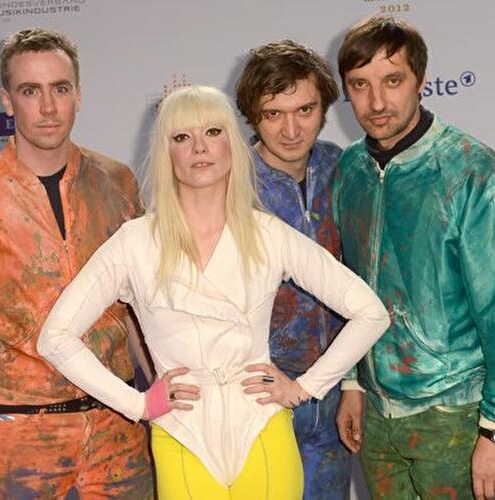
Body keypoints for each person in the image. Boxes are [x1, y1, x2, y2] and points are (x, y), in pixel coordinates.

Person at [37, 85, 390, 500]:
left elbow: (370, 312)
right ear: (166, 153)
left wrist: (303, 388)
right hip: (182, 434)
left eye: (213, 132)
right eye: (182, 137)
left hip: (262, 429)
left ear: (232, 145)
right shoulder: (134, 243)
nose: (200, 148)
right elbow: (55, 337)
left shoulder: (267, 234)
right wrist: (137, 405)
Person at [0, 28, 152, 498]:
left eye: (60, 89)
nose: (48, 107)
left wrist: (160, 399)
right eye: (31, 91)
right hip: (18, 444)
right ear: (7, 101)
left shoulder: (117, 183)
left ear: (78, 95)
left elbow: (138, 309)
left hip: (119, 437)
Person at [333, 15, 495, 500]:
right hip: (376, 418)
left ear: (421, 80)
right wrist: (352, 382)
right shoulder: (351, 170)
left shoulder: (473, 172)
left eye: (393, 81)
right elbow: (347, 283)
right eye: (360, 85)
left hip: (454, 414)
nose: (377, 102)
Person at [234, 40, 351, 499]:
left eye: (304, 110)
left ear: (324, 107)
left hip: (333, 396)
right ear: (252, 115)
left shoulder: (344, 169)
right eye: (273, 114)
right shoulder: (228, 182)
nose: (290, 129)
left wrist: (354, 385)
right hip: (257, 399)